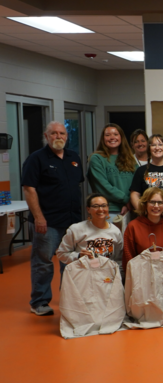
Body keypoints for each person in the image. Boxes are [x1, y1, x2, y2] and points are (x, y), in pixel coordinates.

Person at [22, 121, 85, 316]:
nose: (59, 136)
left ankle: (69, 299)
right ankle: (39, 301)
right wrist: (39, 217)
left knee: (71, 262)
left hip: (73, 222)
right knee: (43, 262)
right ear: (46, 136)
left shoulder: (74, 157)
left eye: (62, 133)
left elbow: (78, 186)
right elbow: (29, 189)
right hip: (48, 221)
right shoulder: (36, 159)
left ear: (67, 136)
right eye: (54, 133)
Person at [122, 186, 163, 273]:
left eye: (160, 203)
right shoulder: (133, 226)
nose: (156, 206)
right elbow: (128, 258)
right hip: (141, 275)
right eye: (152, 202)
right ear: (145, 204)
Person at [87, 123, 137, 222]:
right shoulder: (97, 159)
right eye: (108, 135)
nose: (112, 137)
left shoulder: (130, 159)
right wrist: (126, 200)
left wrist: (130, 203)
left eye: (115, 134)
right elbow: (103, 186)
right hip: (109, 211)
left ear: (121, 137)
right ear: (103, 138)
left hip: (131, 210)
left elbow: (137, 183)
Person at [56, 193, 123, 268]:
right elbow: (61, 254)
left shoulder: (115, 231)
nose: (100, 209)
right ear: (88, 209)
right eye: (95, 206)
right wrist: (78, 255)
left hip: (106, 276)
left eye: (104, 206)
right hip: (83, 274)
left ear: (108, 208)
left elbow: (119, 260)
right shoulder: (76, 229)